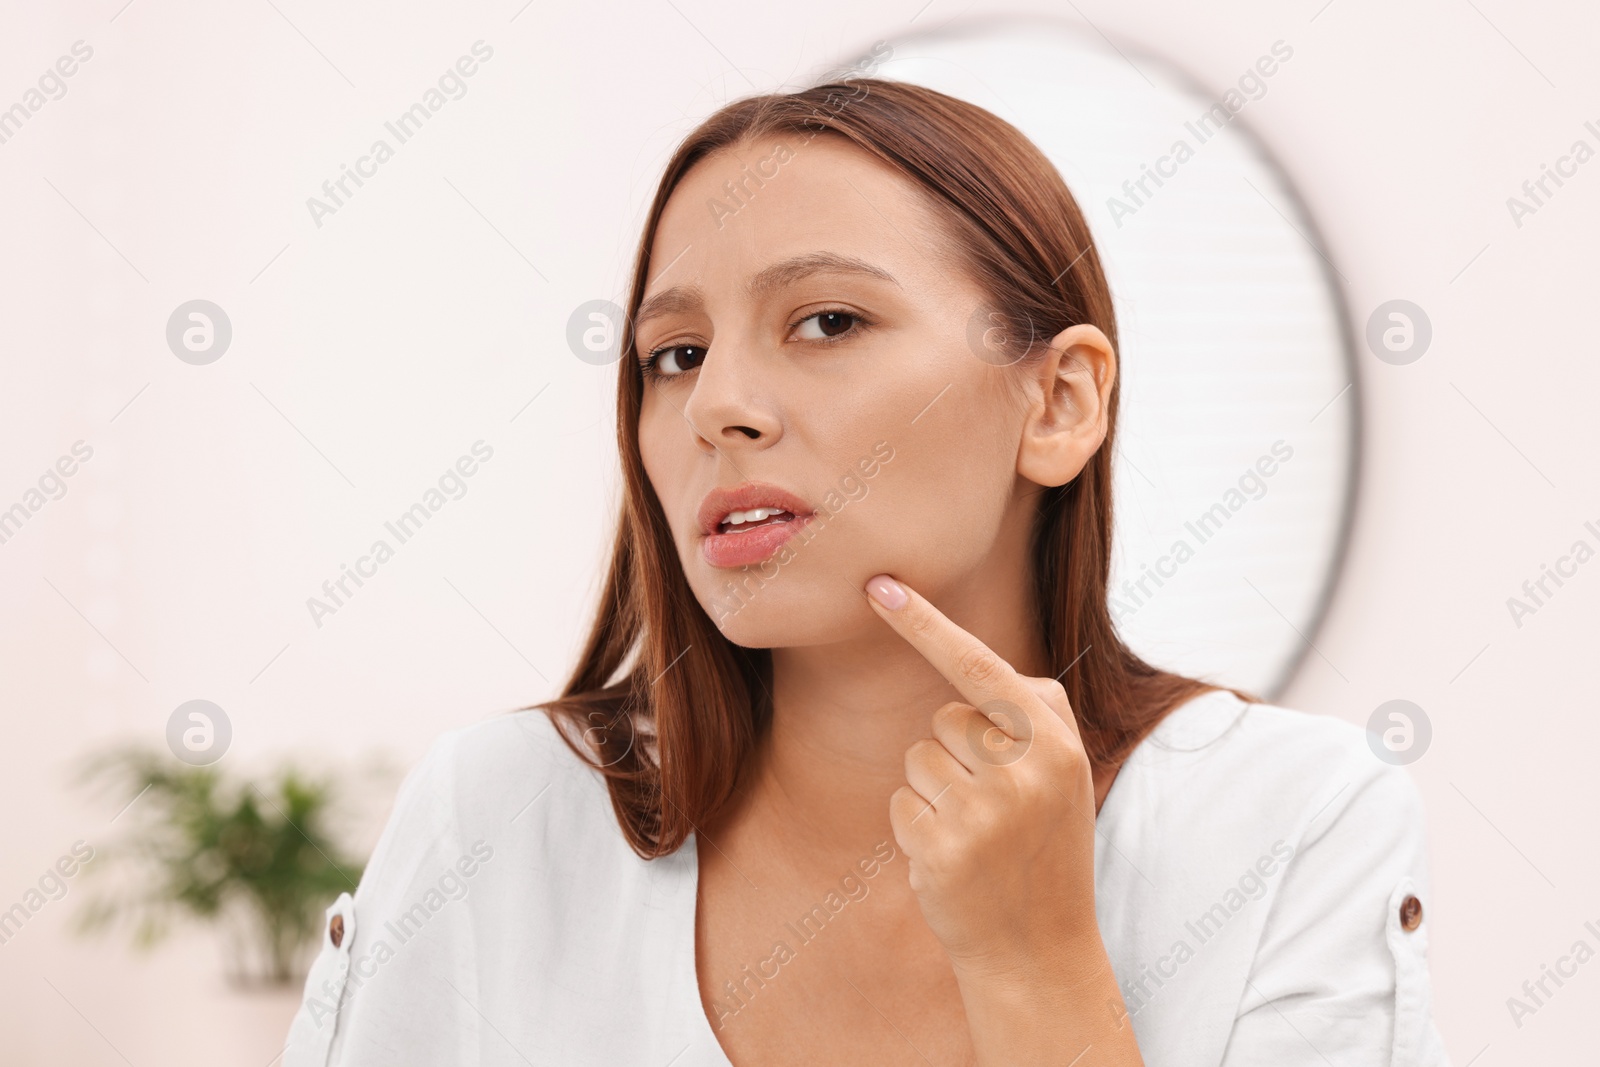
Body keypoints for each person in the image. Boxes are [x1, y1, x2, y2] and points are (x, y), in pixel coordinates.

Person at [283, 77, 1450, 1066]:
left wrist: (1036, 965)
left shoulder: (1291, 823)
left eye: (829, 321)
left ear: (1059, 399)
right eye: (673, 355)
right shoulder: (497, 813)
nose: (719, 407)